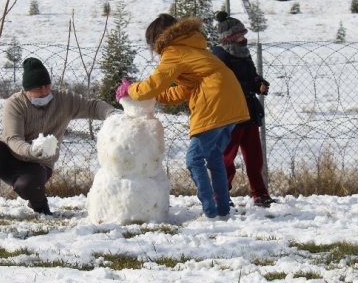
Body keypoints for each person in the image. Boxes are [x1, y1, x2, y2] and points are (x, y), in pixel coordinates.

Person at [115, 14, 249, 219]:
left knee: (194, 159)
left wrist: (131, 89)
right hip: (232, 99)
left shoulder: (173, 51)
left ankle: (210, 211)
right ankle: (222, 210)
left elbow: (153, 84)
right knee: (214, 157)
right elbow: (184, 90)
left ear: (158, 39)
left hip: (215, 99)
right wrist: (155, 96)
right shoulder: (193, 46)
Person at [0, 57, 118, 215]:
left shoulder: (65, 100)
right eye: (38, 90)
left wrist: (112, 114)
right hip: (10, 157)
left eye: (47, 87)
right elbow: (13, 139)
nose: (44, 92)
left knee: (28, 185)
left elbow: (93, 106)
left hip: (39, 165)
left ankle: (40, 205)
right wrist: (31, 149)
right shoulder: (15, 104)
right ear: (27, 90)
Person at [212, 12, 278, 208]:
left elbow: (252, 76)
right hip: (231, 114)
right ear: (229, 37)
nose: (244, 38)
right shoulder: (220, 56)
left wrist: (259, 83)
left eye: (243, 33)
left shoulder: (243, 52)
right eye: (239, 35)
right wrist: (248, 86)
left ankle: (260, 193)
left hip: (249, 112)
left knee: (254, 158)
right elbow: (223, 84)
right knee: (227, 158)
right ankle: (221, 195)